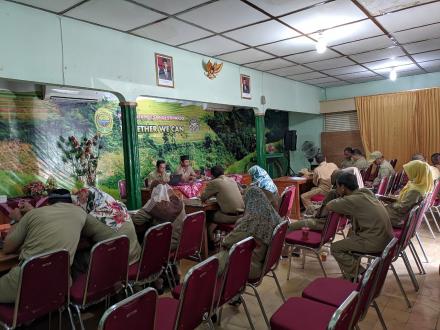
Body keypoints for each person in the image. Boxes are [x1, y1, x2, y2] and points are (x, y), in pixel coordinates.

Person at [0, 189, 86, 303]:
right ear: (71, 202)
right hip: (60, 284)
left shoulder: (34, 214)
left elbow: (7, 248)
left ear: (48, 204)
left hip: (27, 284)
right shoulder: (81, 213)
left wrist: (16, 220)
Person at [327, 173, 393, 280]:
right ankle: (351, 276)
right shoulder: (366, 192)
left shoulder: (352, 200)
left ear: (343, 187)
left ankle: (363, 273)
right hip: (387, 239)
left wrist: (335, 195)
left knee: (335, 248)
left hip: (376, 241)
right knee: (350, 237)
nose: (336, 189)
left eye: (337, 186)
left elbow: (329, 205)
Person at [215, 186, 282, 279]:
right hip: (265, 264)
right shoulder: (275, 217)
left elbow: (227, 241)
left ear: (249, 201)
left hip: (251, 267)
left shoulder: (251, 221)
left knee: (217, 261)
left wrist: (223, 239)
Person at [74, 187, 141, 267]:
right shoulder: (120, 206)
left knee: (77, 258)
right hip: (135, 257)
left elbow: (80, 232)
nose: (79, 204)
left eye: (80, 200)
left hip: (115, 266)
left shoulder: (90, 219)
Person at [132, 183, 185, 250]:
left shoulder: (153, 203)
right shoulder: (179, 201)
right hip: (182, 241)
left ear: (152, 191)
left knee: (139, 244)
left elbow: (136, 220)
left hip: (164, 243)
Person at [384, 160, 433, 228]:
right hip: (400, 215)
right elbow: (407, 201)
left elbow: (403, 208)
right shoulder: (420, 184)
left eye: (410, 171)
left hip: (397, 218)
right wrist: (396, 198)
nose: (407, 174)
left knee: (373, 213)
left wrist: (389, 205)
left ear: (416, 172)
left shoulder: (416, 191)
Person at [201, 165, 245, 240]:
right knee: (216, 212)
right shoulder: (232, 180)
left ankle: (209, 243)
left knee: (206, 215)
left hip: (231, 217)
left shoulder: (214, 182)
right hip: (242, 214)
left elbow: (203, 197)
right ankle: (214, 237)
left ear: (212, 175)